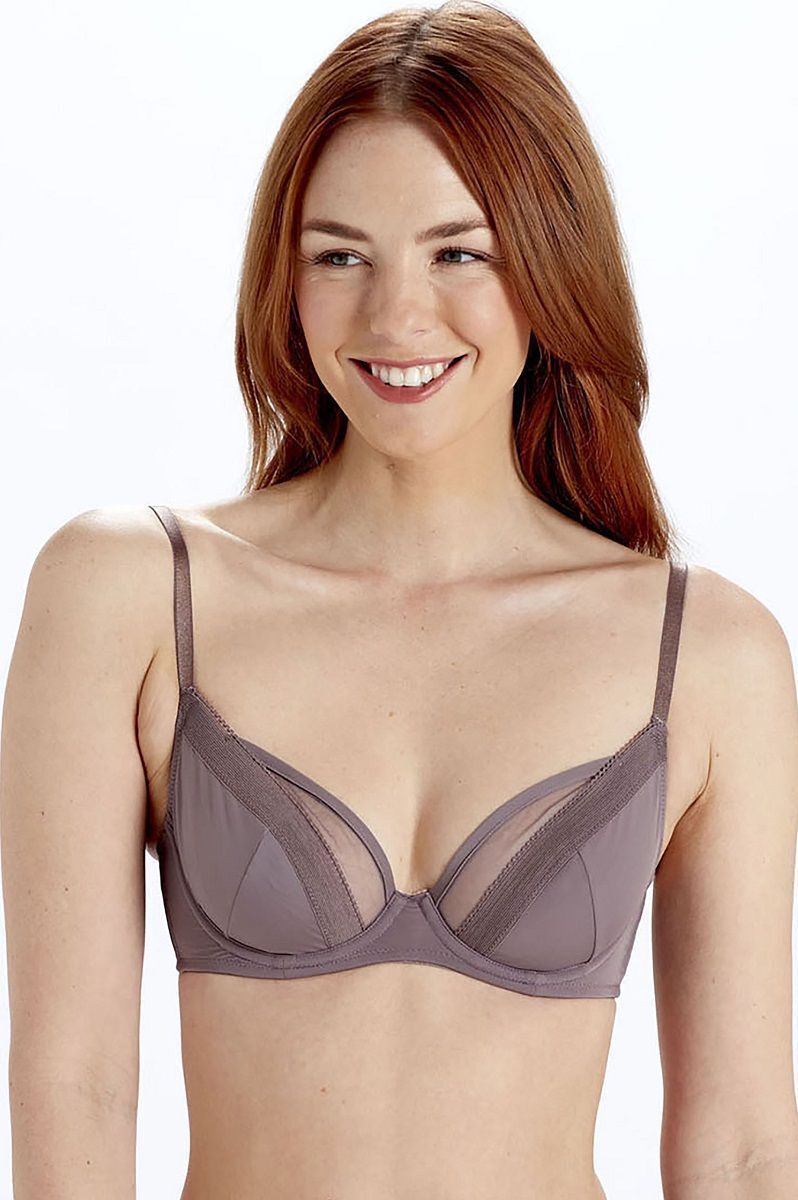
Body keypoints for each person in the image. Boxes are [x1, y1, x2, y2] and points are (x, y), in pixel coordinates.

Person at [3, 2, 798, 1197]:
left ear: (550, 263)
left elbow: (740, 1151)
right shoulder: (130, 595)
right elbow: (76, 1084)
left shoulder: (707, 652)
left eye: (458, 253)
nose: (396, 317)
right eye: (340, 256)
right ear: (286, 277)